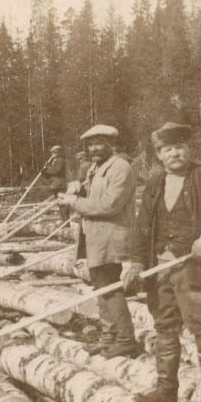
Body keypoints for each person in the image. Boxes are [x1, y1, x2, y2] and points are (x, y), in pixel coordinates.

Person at [121, 122, 201, 402]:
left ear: (190, 149)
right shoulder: (154, 184)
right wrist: (137, 262)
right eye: (167, 149)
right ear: (159, 155)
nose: (174, 153)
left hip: (194, 269)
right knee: (164, 328)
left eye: (180, 147)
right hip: (159, 270)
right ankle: (166, 390)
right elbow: (141, 228)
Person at [56, 124, 139, 358]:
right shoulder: (96, 167)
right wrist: (78, 187)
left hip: (111, 236)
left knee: (111, 288)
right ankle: (108, 337)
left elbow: (109, 205)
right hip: (95, 237)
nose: (94, 148)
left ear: (110, 144)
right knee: (101, 285)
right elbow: (91, 190)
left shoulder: (120, 168)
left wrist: (73, 202)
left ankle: (125, 339)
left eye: (99, 143)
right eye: (90, 144)